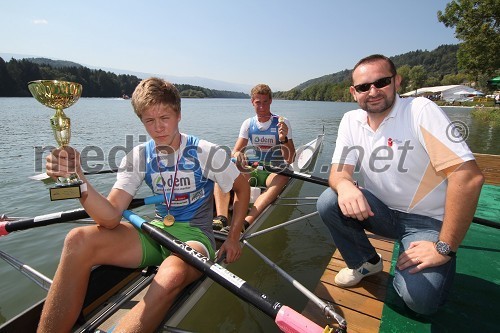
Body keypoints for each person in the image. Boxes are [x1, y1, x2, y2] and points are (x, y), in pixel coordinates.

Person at [38, 78, 250, 333]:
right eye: (149, 121)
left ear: (179, 115)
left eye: (165, 117)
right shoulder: (139, 156)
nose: (158, 128)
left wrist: (234, 237)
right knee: (77, 239)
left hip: (195, 237)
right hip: (157, 231)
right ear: (141, 121)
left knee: (171, 272)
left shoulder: (206, 152)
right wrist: (78, 179)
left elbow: (242, 189)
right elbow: (110, 217)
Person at [316, 54, 484, 315]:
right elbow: (338, 172)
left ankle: (438, 260)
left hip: (426, 221)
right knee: (329, 200)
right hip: (381, 212)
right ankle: (366, 262)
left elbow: (468, 177)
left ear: (397, 81)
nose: (372, 91)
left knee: (421, 301)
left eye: (381, 82)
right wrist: (347, 186)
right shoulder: (351, 120)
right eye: (363, 87)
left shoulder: (420, 111)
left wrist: (444, 247)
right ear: (353, 92)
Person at [213, 84, 295, 232]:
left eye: (265, 102)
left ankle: (246, 222)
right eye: (258, 102)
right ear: (252, 102)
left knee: (283, 176)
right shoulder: (248, 124)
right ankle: (221, 218)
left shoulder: (282, 123)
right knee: (222, 171)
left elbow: (290, 159)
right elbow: (236, 150)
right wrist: (237, 154)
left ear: (270, 101)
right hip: (255, 168)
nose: (262, 107)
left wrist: (283, 139)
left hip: (274, 171)